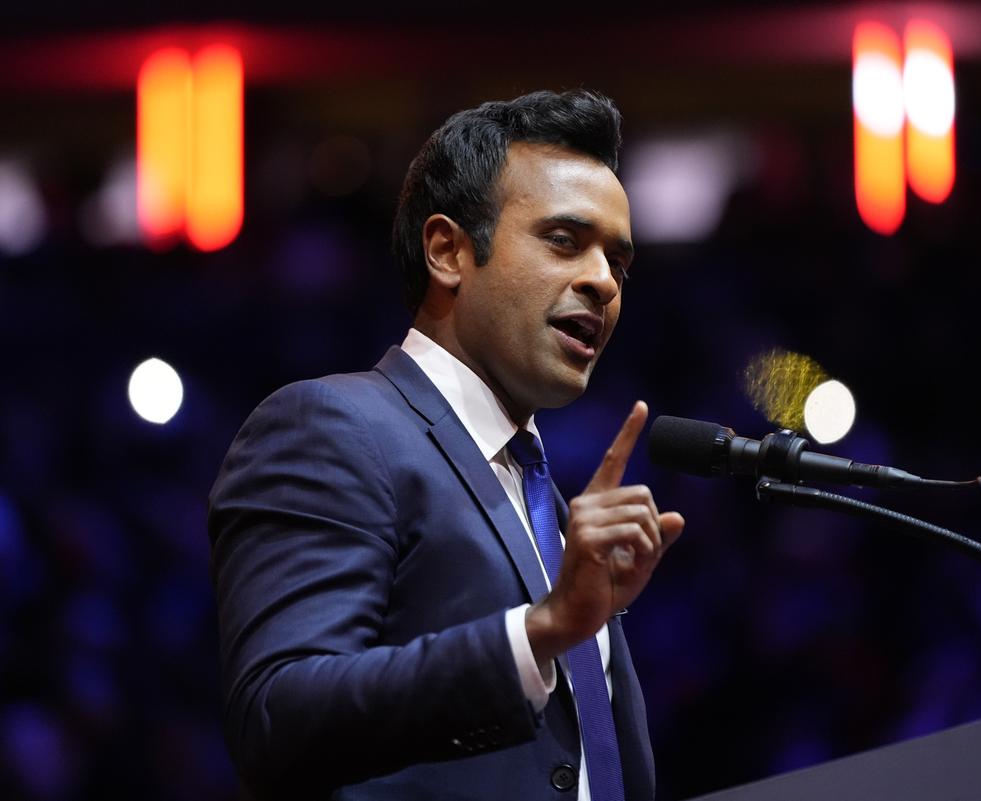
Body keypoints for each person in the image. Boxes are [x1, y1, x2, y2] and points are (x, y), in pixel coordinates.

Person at [208, 90, 685, 801]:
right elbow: (278, 713)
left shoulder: (545, 500)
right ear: (448, 251)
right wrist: (538, 631)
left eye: (619, 261)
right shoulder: (334, 428)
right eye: (564, 240)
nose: (603, 281)